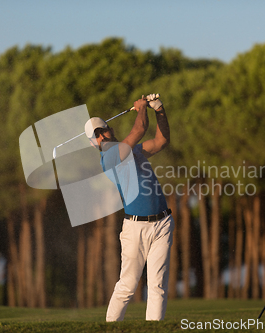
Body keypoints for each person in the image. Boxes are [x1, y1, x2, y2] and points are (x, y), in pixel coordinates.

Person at [84, 94, 173, 321]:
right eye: (100, 133)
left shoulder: (135, 151)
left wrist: (159, 110)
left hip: (162, 223)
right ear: (97, 140)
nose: (106, 133)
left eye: (105, 129)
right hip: (136, 229)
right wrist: (142, 108)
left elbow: (162, 141)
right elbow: (140, 128)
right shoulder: (110, 156)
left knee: (158, 285)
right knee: (128, 286)